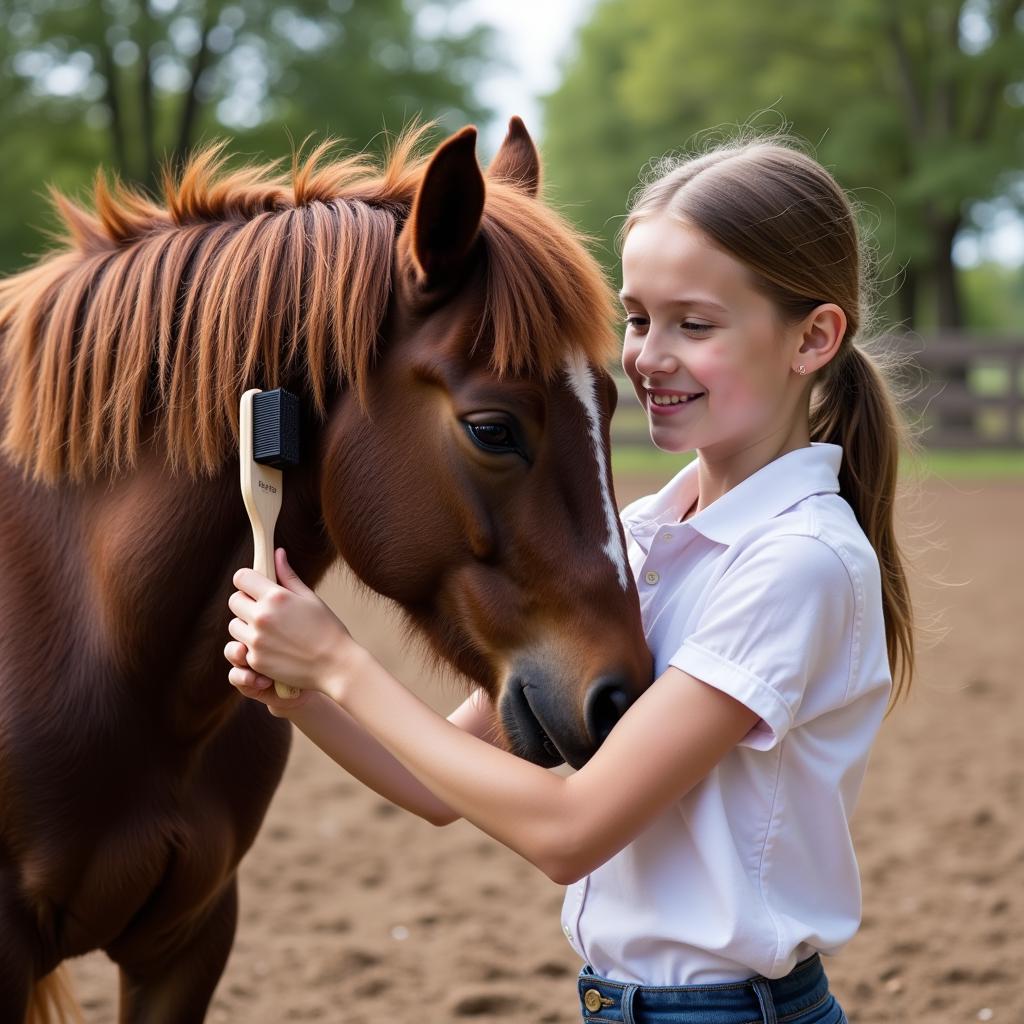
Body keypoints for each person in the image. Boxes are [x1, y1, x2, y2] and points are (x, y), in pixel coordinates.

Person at [225, 129, 916, 1024]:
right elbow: (442, 784)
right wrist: (303, 693)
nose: (647, 357)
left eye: (693, 324)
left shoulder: (800, 563)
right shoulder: (645, 536)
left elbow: (570, 830)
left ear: (813, 338)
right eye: (637, 319)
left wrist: (344, 667)